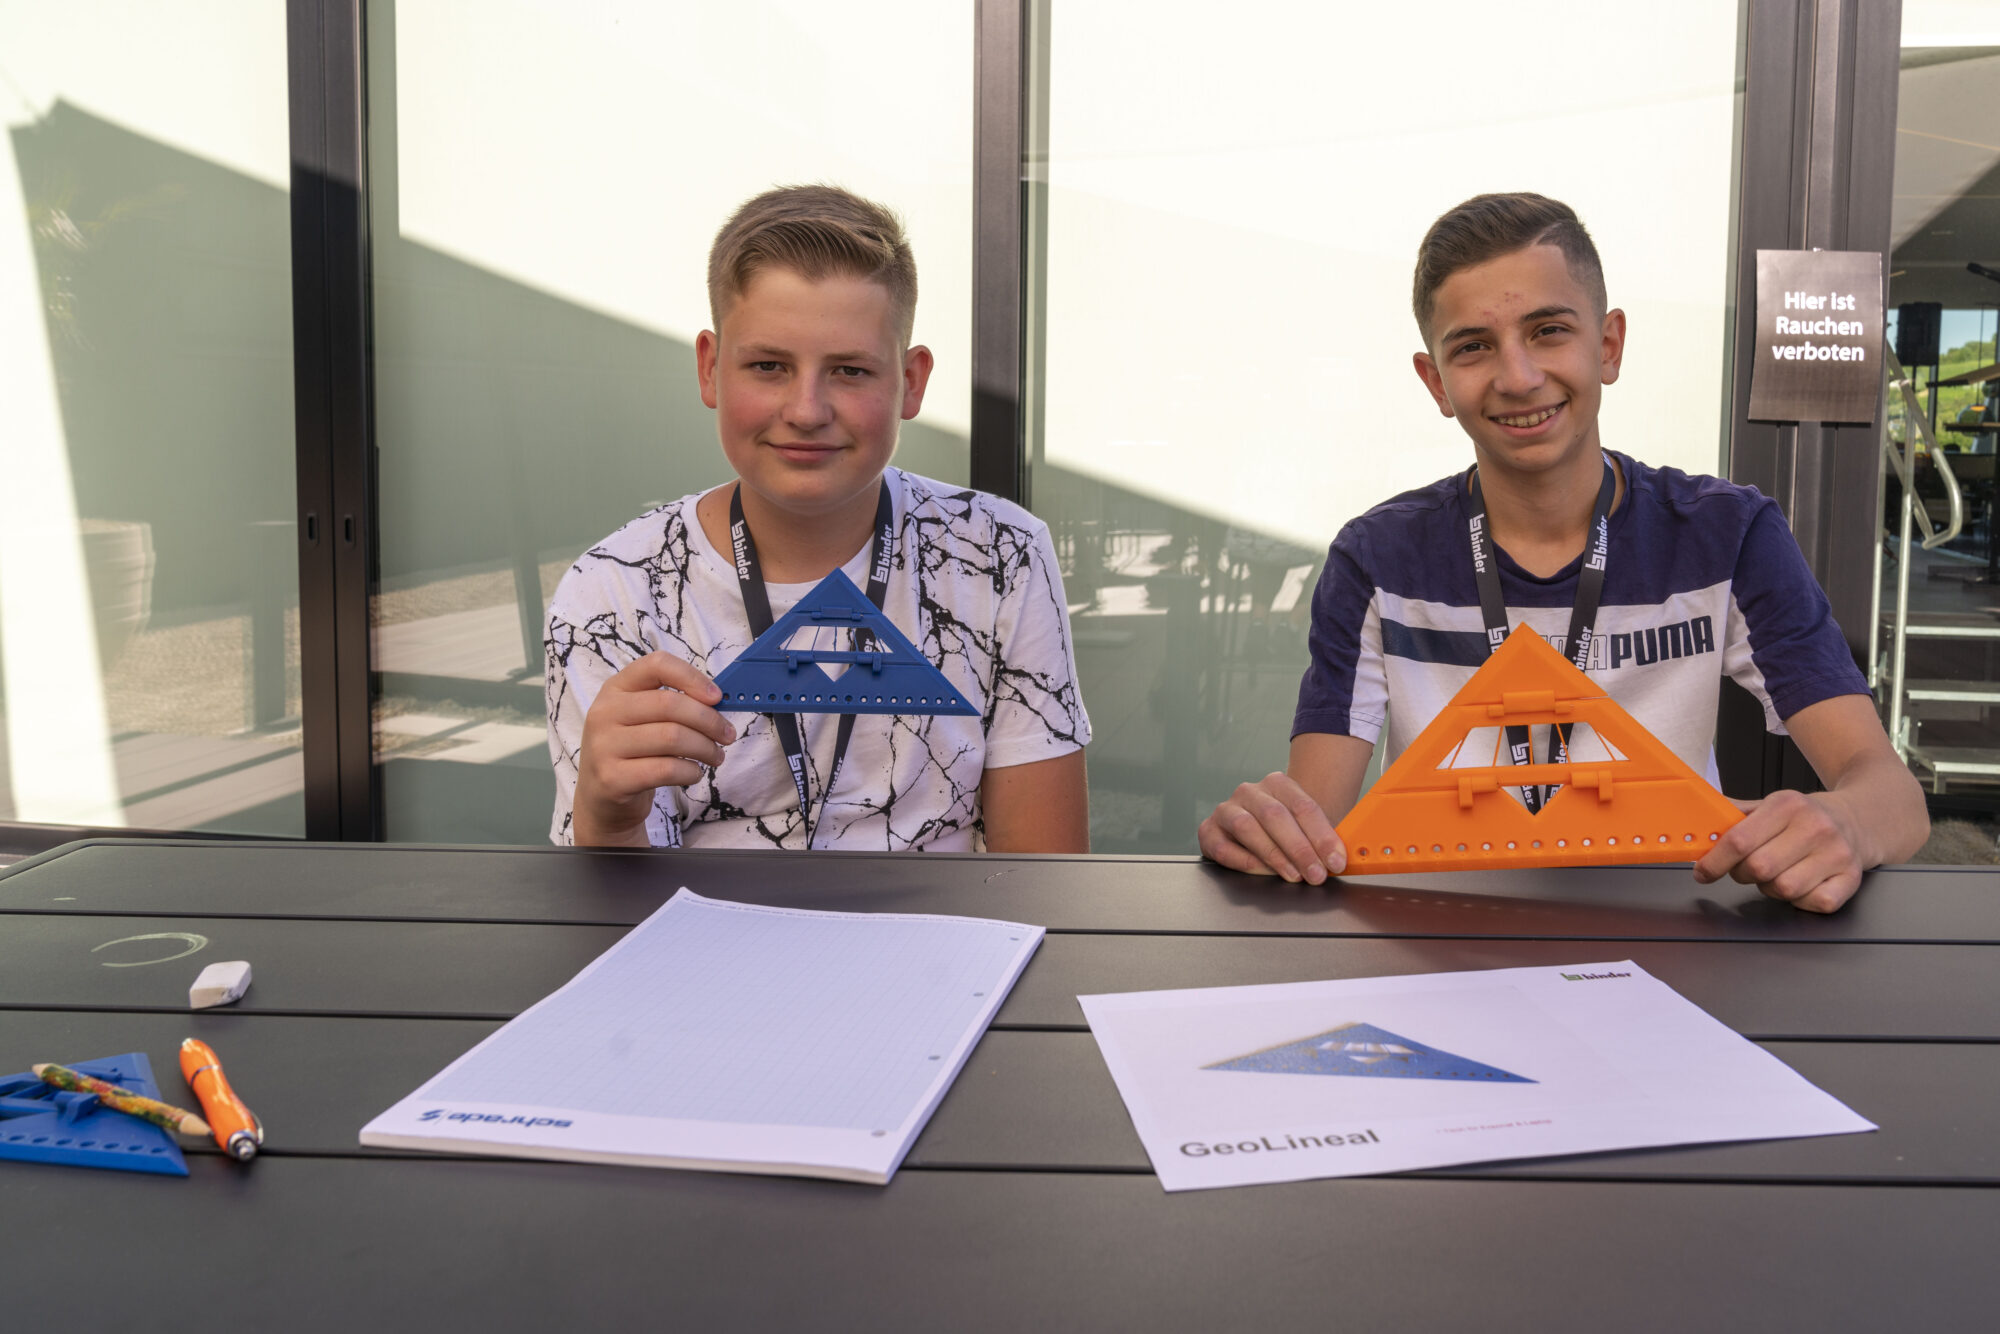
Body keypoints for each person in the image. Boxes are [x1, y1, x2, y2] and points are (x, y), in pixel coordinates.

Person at [1199, 192, 1927, 912]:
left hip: (1668, 934)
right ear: (1436, 382)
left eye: (1548, 331)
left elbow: (1892, 797)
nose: (1518, 378)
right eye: (1473, 347)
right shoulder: (1377, 557)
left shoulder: (1727, 535)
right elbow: (1314, 827)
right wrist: (1269, 834)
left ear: (1608, 346)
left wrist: (1845, 822)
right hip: (1446, 932)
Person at [546, 185, 1090, 851]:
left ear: (912, 381)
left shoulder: (1000, 554)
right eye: (768, 365)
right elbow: (614, 898)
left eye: (850, 371)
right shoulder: (613, 591)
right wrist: (609, 818)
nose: (806, 410)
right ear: (711, 369)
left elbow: (1042, 872)